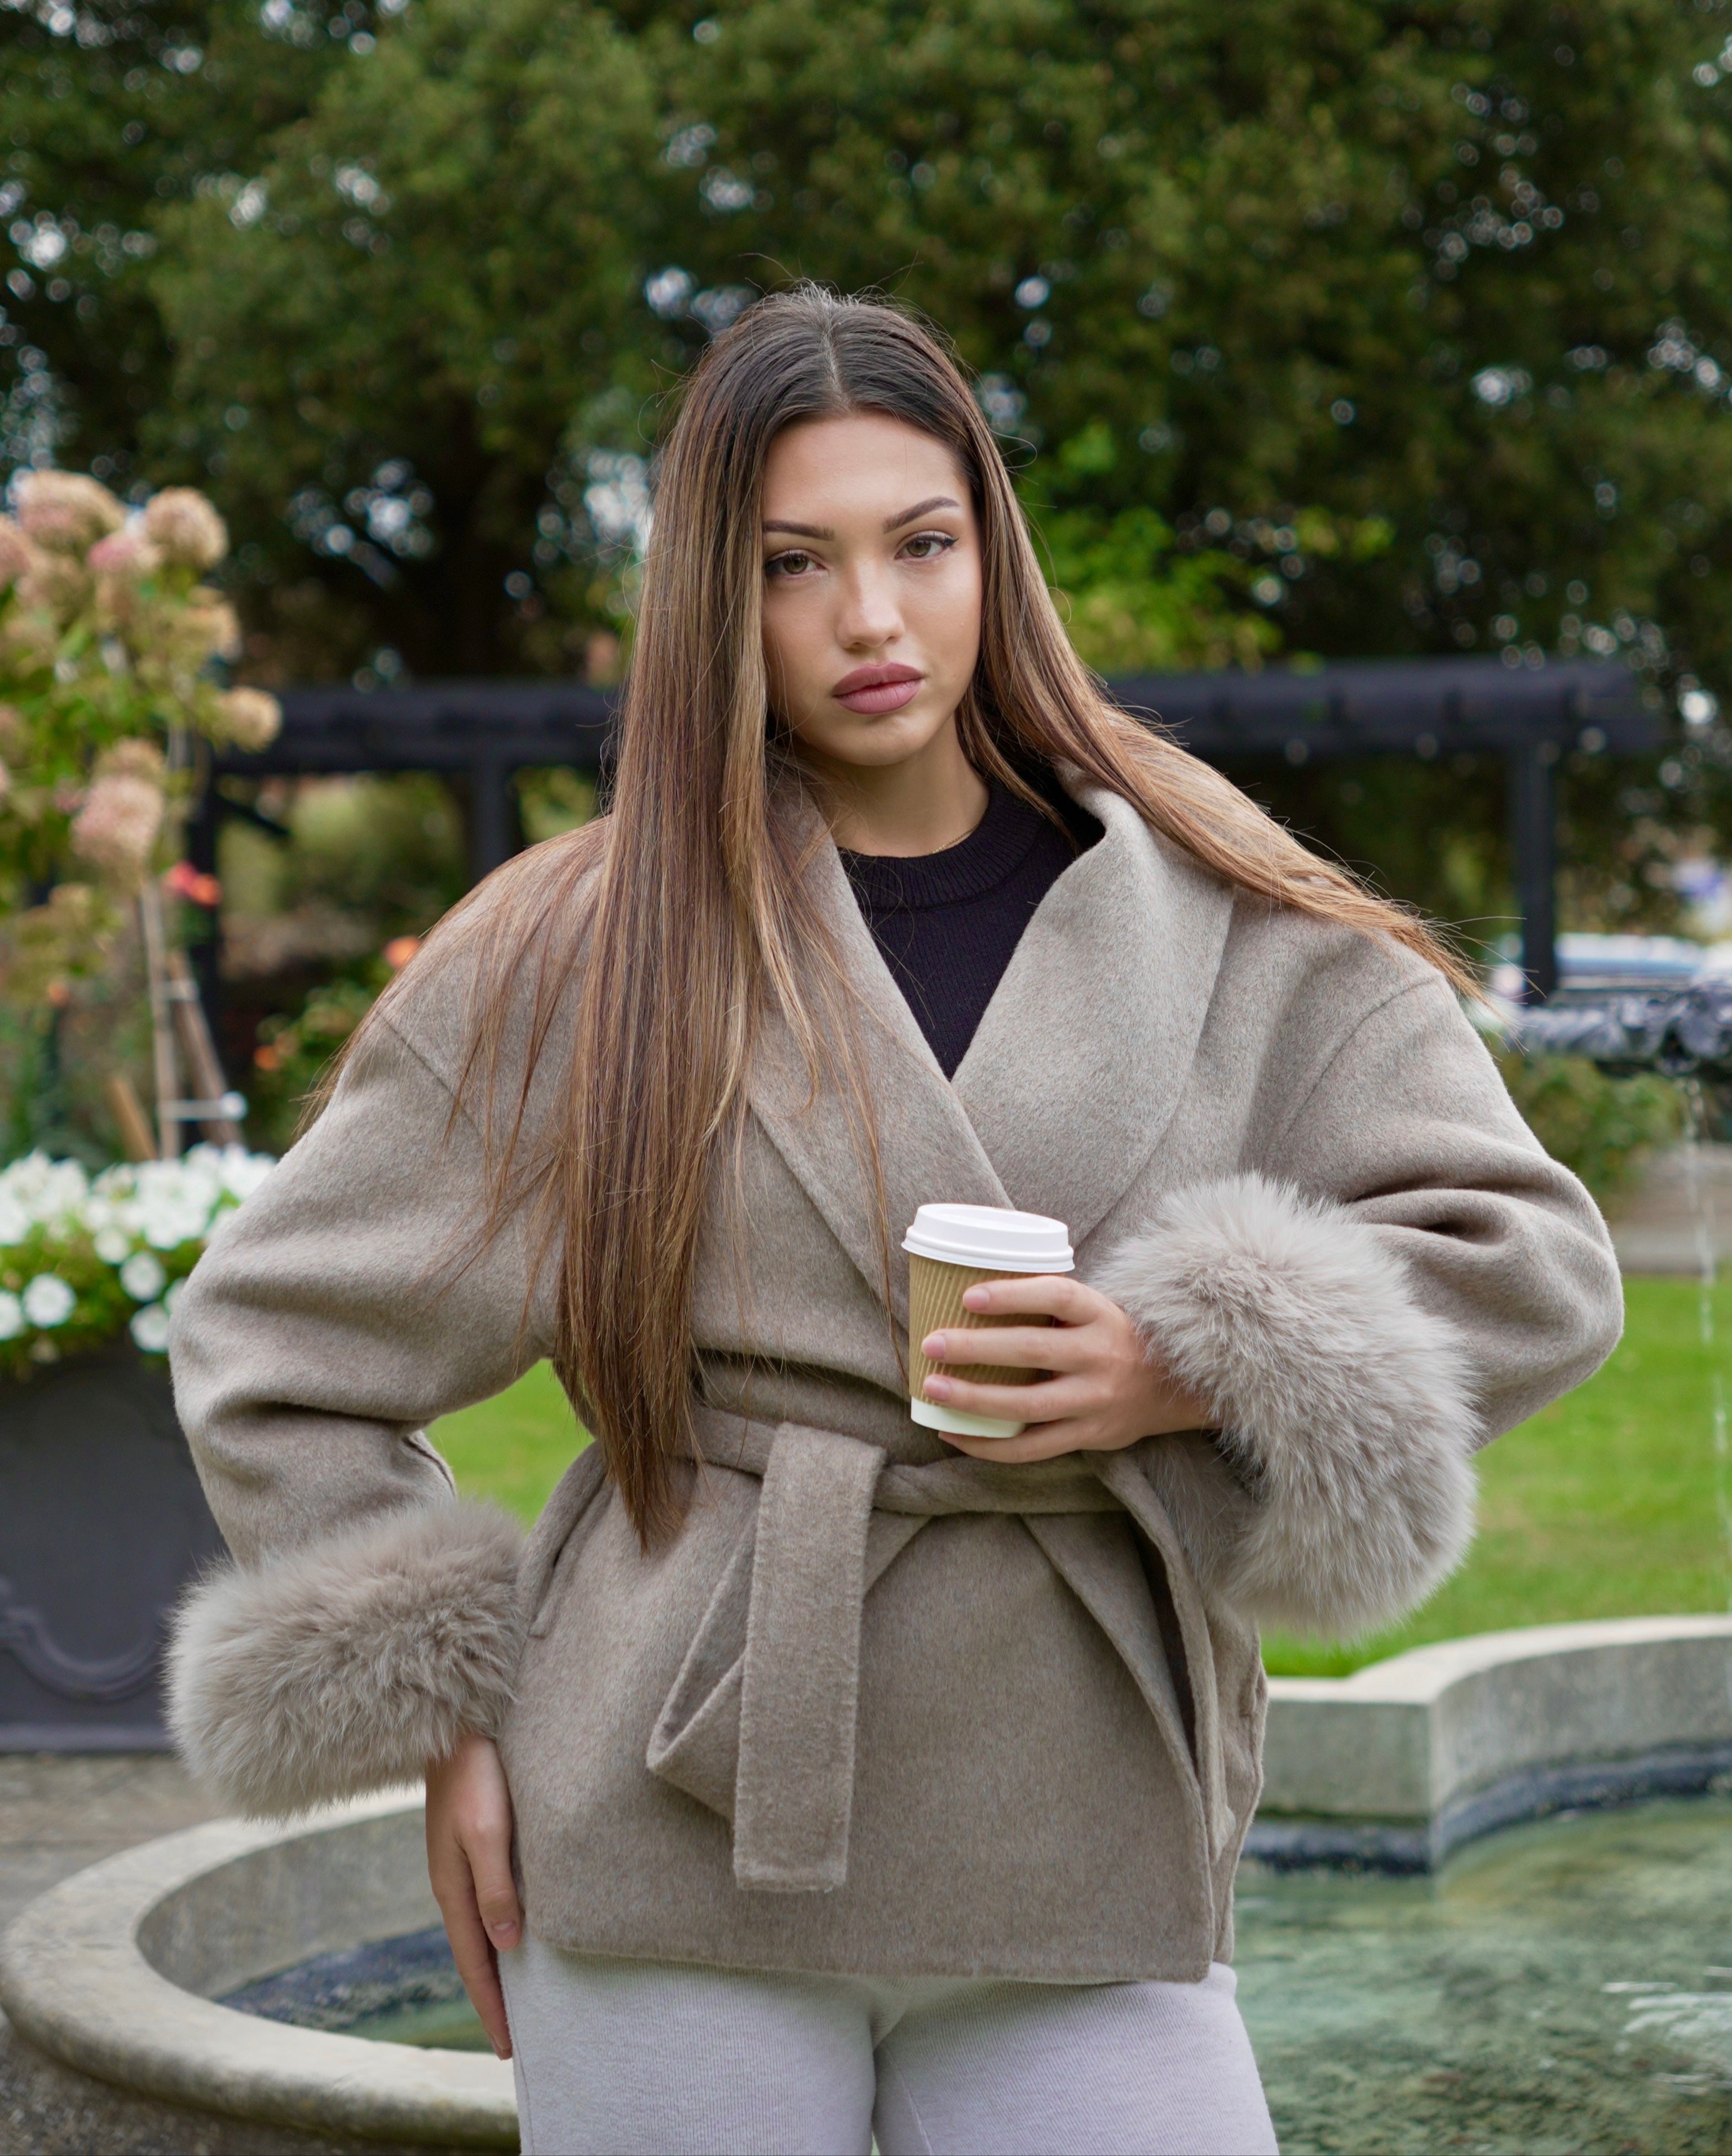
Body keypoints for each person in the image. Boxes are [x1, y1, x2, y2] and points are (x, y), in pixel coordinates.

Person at [166, 288, 1622, 2156]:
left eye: (921, 544)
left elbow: (1534, 1265)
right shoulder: (580, 945)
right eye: (796, 563)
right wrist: (455, 1722)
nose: (871, 619)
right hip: (665, 1823)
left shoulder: (1219, 902)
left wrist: (1183, 1360)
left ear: (988, 554)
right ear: (716, 596)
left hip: (1081, 1824)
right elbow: (278, 1347)